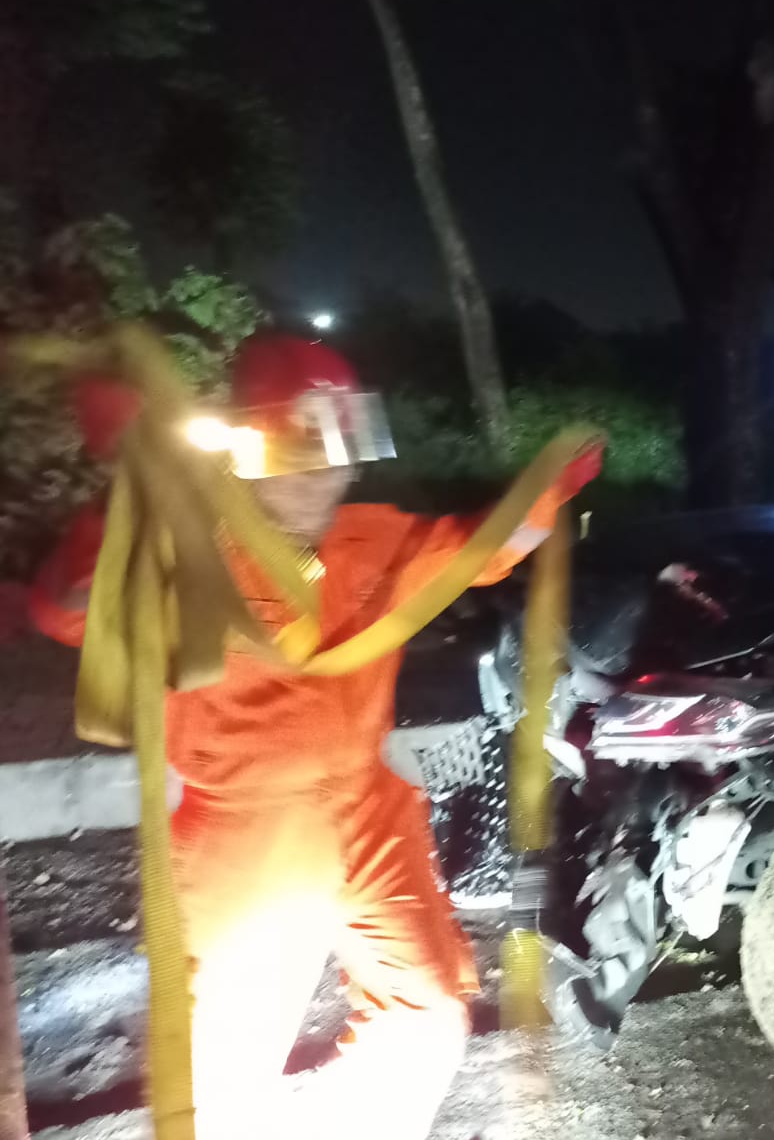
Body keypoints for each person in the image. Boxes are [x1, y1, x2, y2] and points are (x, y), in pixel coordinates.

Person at [30, 332, 603, 1140]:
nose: (333, 469)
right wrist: (124, 484)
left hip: (365, 808)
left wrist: (548, 489)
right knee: (228, 1064)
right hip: (246, 828)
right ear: (254, 445)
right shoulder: (185, 546)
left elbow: (482, 549)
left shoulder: (370, 538)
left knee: (431, 1007)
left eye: (345, 444)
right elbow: (65, 611)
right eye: (311, 444)